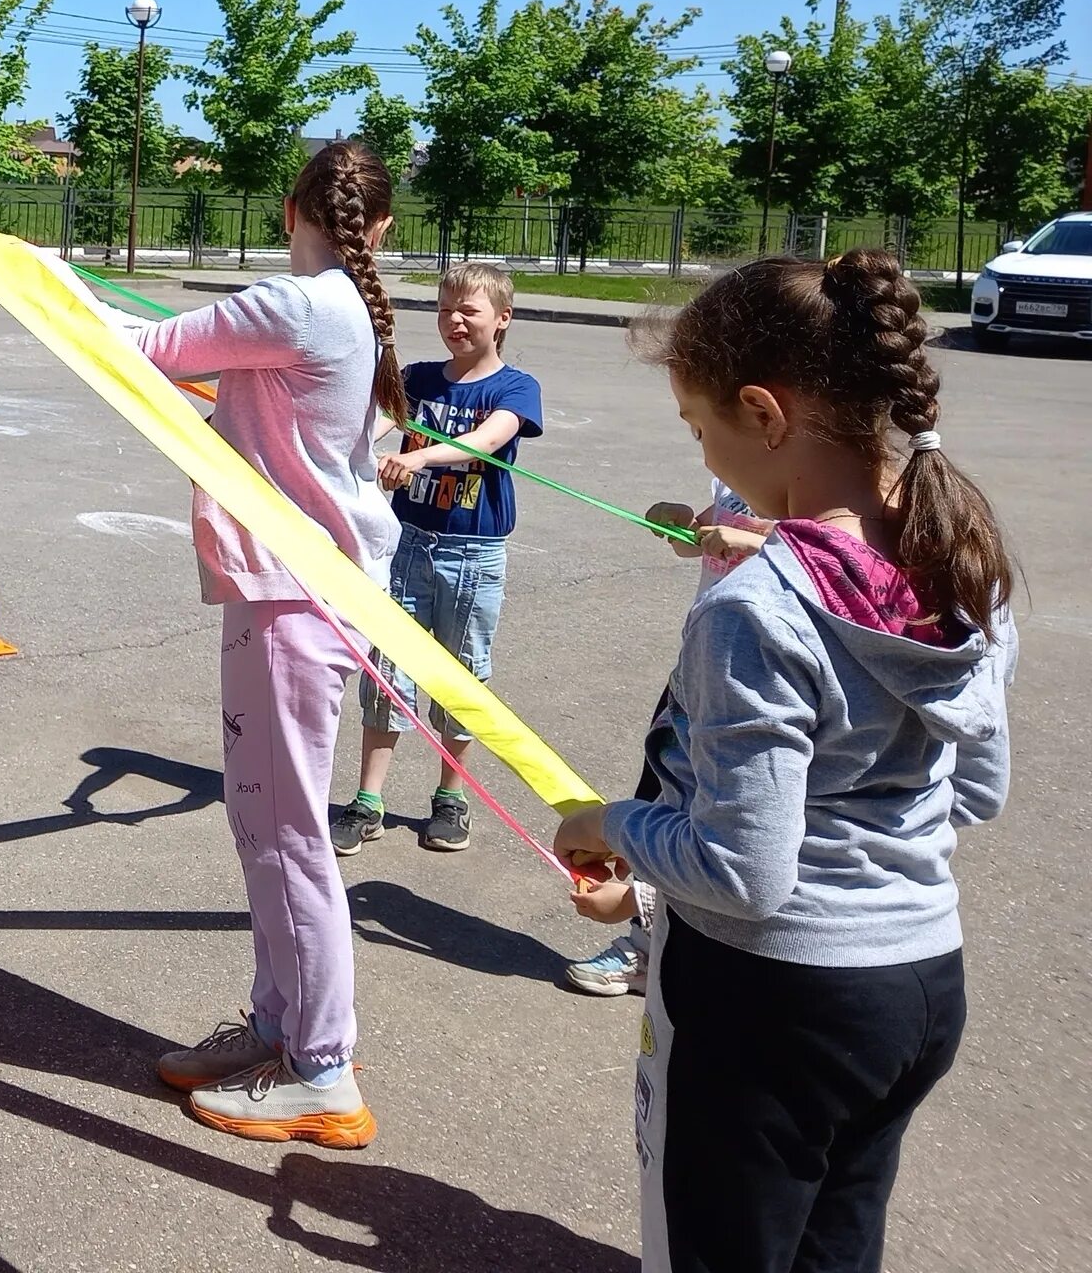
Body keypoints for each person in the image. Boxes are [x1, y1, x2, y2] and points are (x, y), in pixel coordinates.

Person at [552, 251, 1014, 1272]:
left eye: (698, 426)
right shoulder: (957, 560)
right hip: (917, 985)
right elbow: (975, 787)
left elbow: (744, 875)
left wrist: (606, 826)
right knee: (833, 1247)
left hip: (767, 1003)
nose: (702, 447)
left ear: (762, 416)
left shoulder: (754, 610)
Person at [129, 139, 404, 1149]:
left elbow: (138, 348)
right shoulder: (336, 313)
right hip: (289, 595)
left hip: (295, 603)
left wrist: (29, 284)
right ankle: (281, 1030)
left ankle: (322, 1068)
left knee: (285, 837)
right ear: (378, 229)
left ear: (289, 209)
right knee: (265, 828)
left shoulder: (295, 306)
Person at [334, 260, 542, 856]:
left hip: (472, 554)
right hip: (405, 546)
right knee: (385, 671)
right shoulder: (418, 378)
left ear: (501, 319)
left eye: (469, 311)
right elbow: (371, 424)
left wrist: (420, 459)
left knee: (460, 676)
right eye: (446, 308)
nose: (454, 320)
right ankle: (369, 798)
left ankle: (451, 794)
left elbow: (490, 438)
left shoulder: (514, 389)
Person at [565, 478, 770, 998]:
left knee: (717, 817)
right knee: (659, 795)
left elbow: (844, 558)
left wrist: (754, 542)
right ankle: (649, 942)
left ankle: (659, 925)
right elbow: (699, 539)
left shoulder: (812, 486)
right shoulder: (741, 479)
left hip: (751, 684)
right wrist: (680, 524)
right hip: (696, 674)